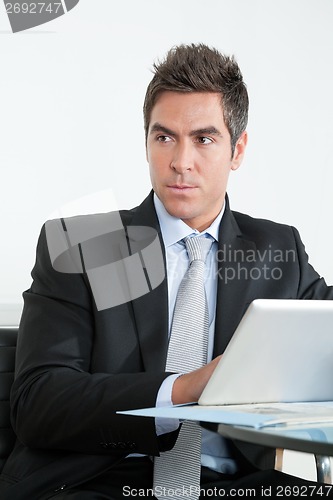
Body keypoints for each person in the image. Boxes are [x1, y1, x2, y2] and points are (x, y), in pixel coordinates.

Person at [1, 43, 333, 500]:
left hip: (235, 486)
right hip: (99, 481)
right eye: (164, 137)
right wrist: (185, 389)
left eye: (204, 138)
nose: (180, 161)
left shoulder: (277, 250)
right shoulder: (81, 246)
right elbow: (37, 403)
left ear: (237, 149)